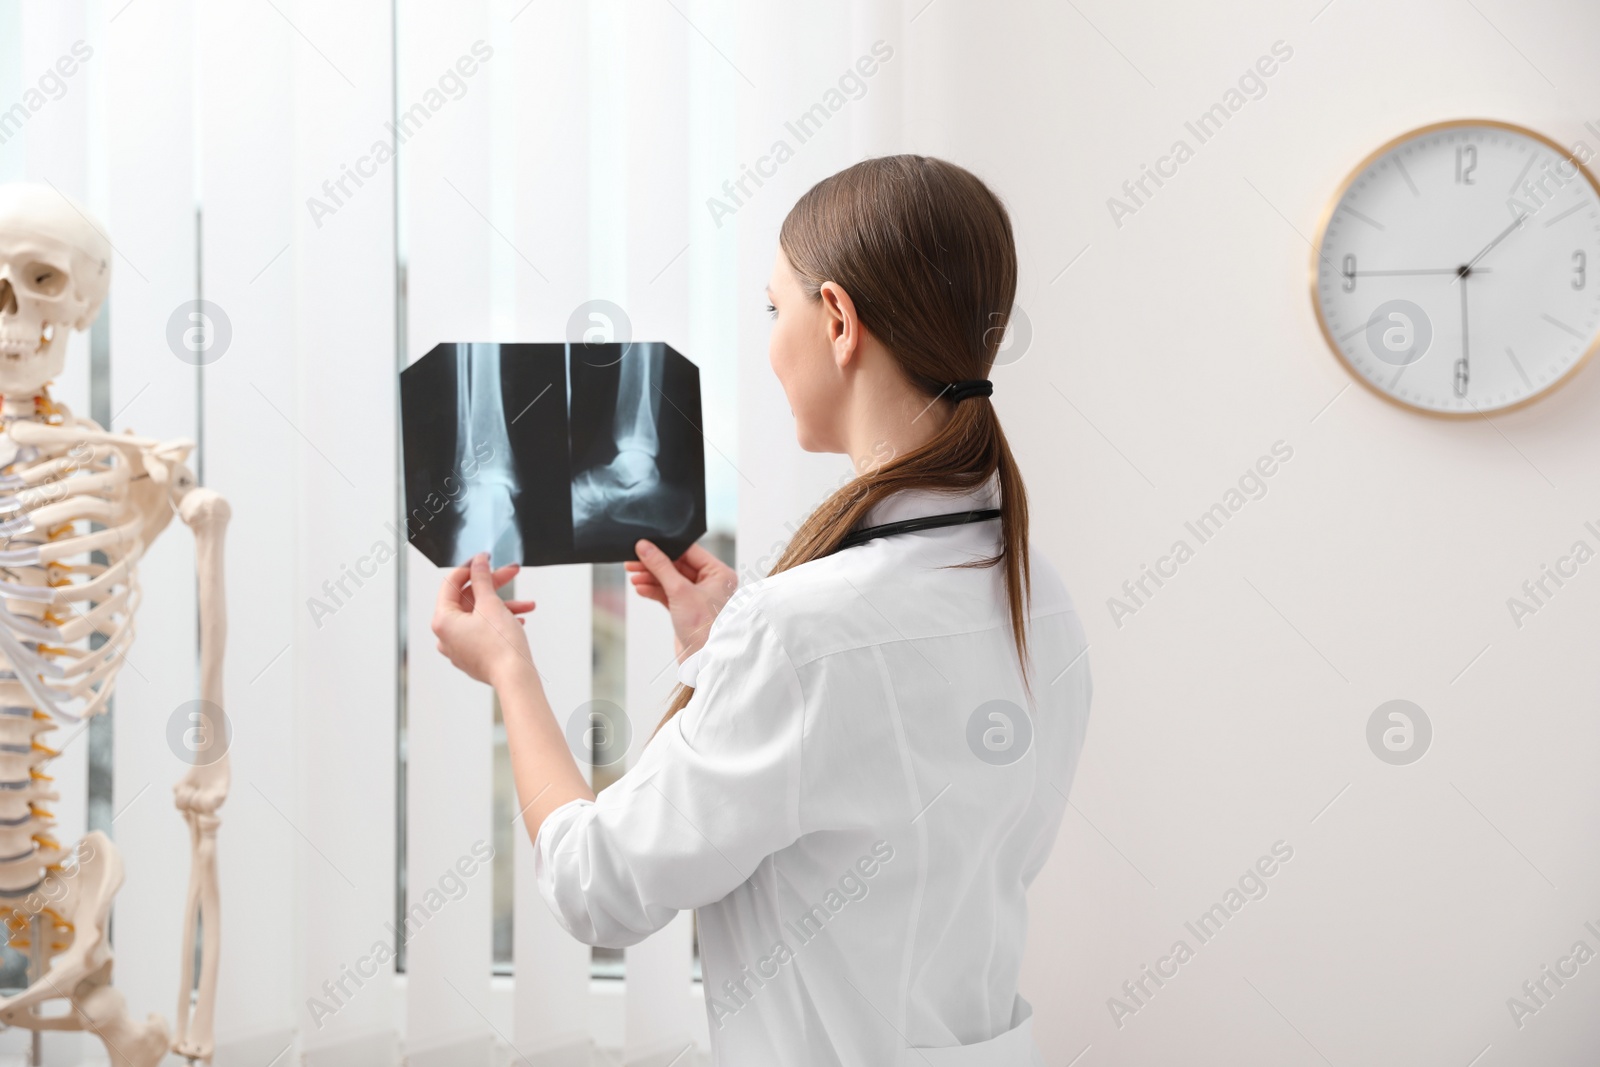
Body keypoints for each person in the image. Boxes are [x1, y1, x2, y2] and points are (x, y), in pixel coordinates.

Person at [432, 154, 1092, 1066]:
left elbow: (599, 887)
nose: (770, 342)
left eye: (774, 309)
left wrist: (509, 667)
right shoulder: (1037, 592)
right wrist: (724, 647)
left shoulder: (798, 632)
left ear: (837, 321)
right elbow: (907, 822)